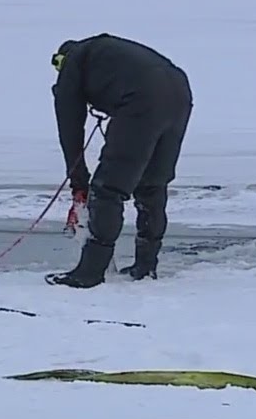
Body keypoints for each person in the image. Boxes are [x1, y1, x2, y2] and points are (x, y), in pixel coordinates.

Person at [44, 34, 193, 289]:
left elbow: (69, 129)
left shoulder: (73, 64)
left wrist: (80, 183)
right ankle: (146, 266)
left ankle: (89, 272)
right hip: (179, 90)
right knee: (152, 184)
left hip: (141, 96)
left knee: (108, 188)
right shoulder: (101, 54)